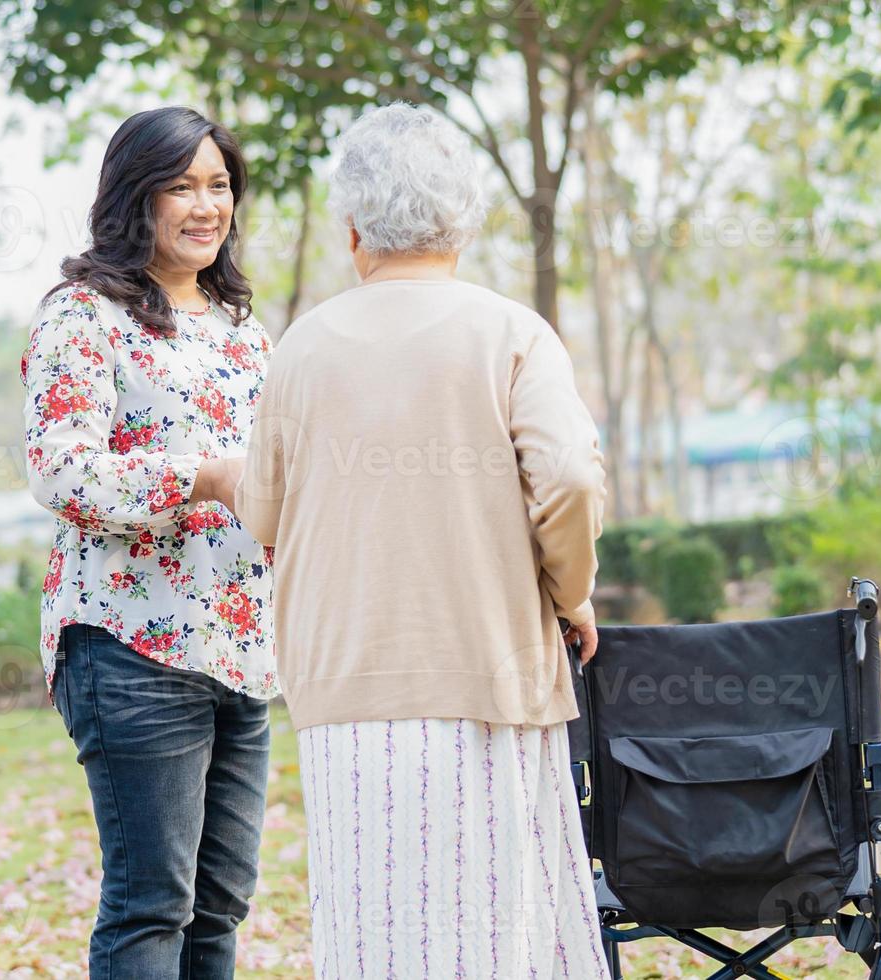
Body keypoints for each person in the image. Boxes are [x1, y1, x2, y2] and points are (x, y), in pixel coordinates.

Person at [234, 101, 611, 977]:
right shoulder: (512, 334)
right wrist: (571, 592)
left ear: (355, 226)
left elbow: (262, 518)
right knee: (499, 931)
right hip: (493, 677)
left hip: (346, 697)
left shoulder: (299, 349)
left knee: (375, 937)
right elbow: (571, 477)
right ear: (464, 220)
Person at [20, 105, 278, 979]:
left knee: (219, 908)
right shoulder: (82, 316)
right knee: (151, 905)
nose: (207, 206)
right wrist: (203, 477)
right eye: (181, 186)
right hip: (132, 649)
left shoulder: (242, 329)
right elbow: (64, 472)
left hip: (243, 650)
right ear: (136, 198)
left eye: (219, 185)